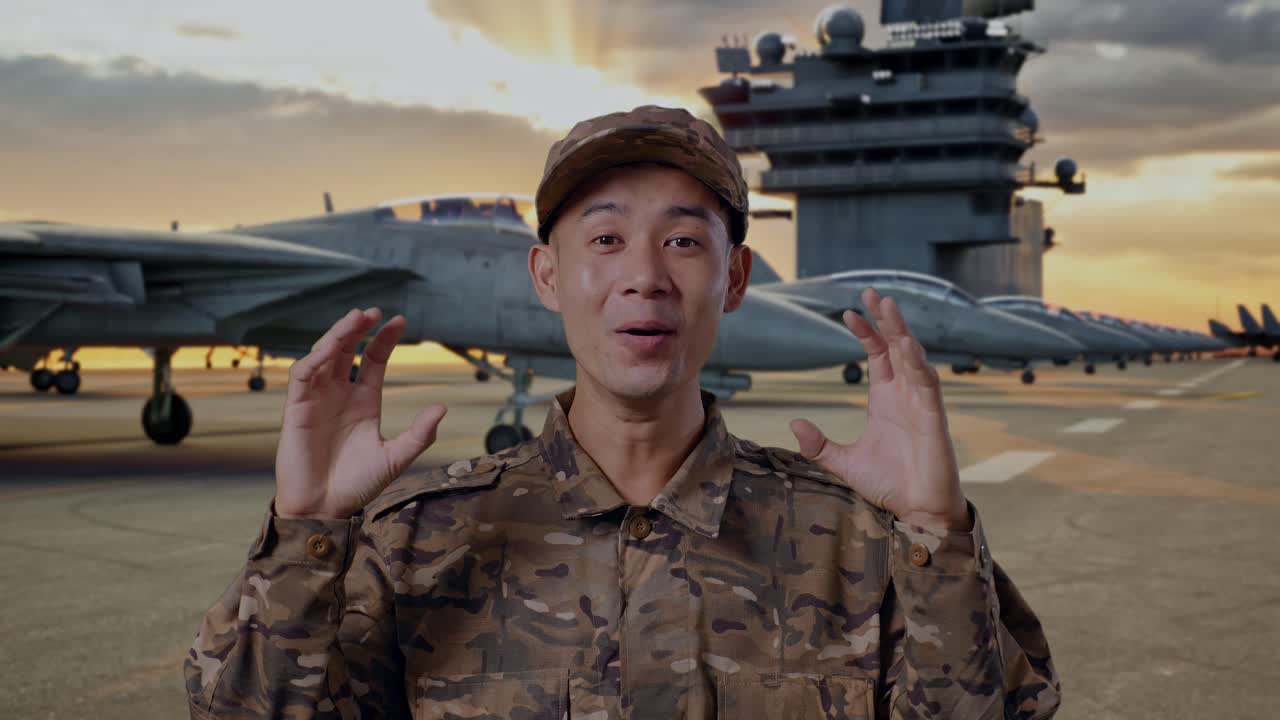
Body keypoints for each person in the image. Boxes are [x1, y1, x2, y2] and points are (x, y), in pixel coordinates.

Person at [185, 105, 1059, 719]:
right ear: (548, 276)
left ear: (736, 279)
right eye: (605, 239)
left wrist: (937, 536)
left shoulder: (860, 543)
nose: (644, 274)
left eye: (684, 240)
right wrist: (306, 534)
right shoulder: (415, 546)